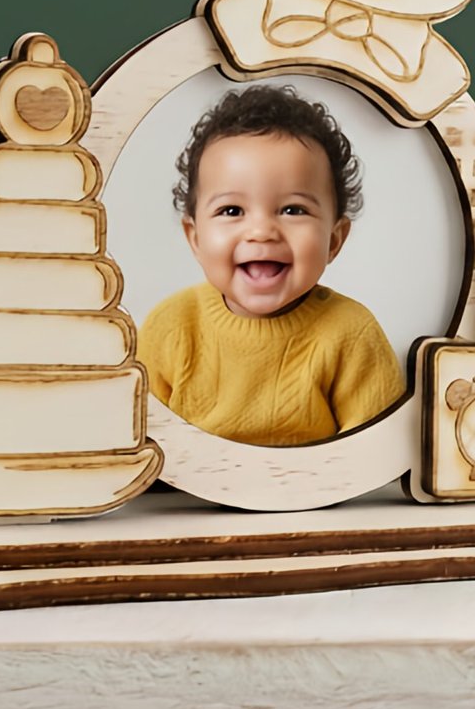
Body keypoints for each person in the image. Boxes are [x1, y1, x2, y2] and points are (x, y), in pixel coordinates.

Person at [137, 85, 405, 446]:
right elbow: (136, 439)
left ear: (334, 240)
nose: (261, 231)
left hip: (316, 499)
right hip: (187, 500)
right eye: (231, 211)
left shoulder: (351, 334)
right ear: (196, 238)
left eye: (293, 210)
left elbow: (374, 451)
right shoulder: (172, 327)